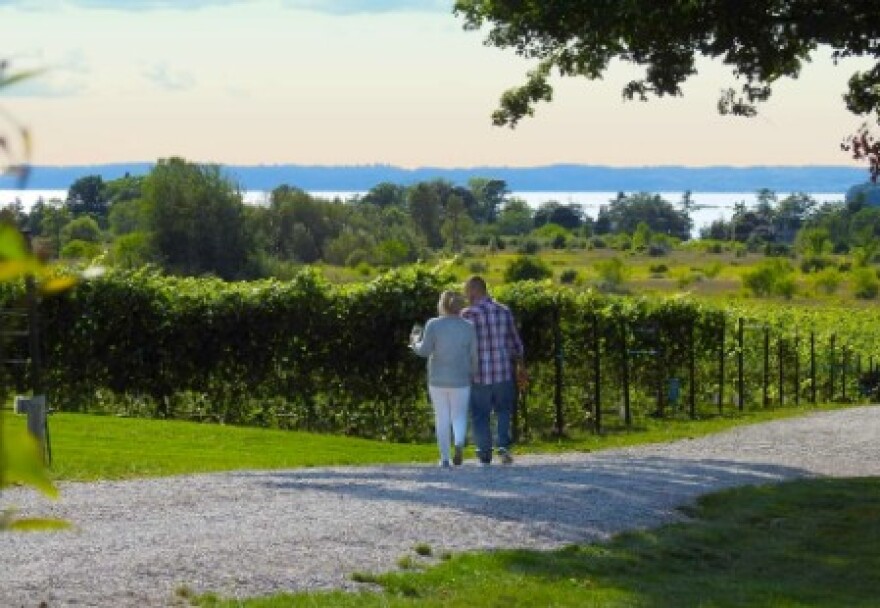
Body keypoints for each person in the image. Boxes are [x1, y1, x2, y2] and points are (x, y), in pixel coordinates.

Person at [462, 275, 525, 465]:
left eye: (467, 291)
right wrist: (521, 365)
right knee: (504, 409)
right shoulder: (504, 311)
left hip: (478, 374)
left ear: (474, 290)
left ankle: (484, 453)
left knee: (480, 414)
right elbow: (515, 343)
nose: (466, 295)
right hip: (503, 371)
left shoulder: (467, 315)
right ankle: (503, 446)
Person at [410, 290, 478, 468]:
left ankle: (445, 458)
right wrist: (473, 373)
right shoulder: (468, 326)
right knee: (459, 415)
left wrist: (414, 342)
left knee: (442, 417)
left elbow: (424, 351)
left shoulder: (433, 324)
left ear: (442, 304)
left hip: (438, 379)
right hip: (461, 378)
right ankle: (459, 444)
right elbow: (473, 356)